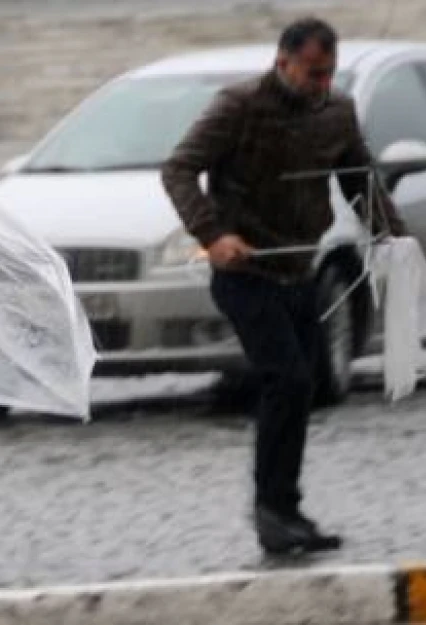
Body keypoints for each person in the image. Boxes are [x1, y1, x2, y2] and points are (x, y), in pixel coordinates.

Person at [161, 17, 407, 555]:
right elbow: (178, 169)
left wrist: (394, 238)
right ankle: (272, 514)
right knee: (287, 380)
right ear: (283, 61)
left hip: (302, 272)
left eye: (329, 74)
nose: (321, 84)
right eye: (312, 73)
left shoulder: (337, 110)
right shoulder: (238, 105)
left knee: (306, 389)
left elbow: (358, 178)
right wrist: (214, 233)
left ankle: (287, 508)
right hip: (245, 274)